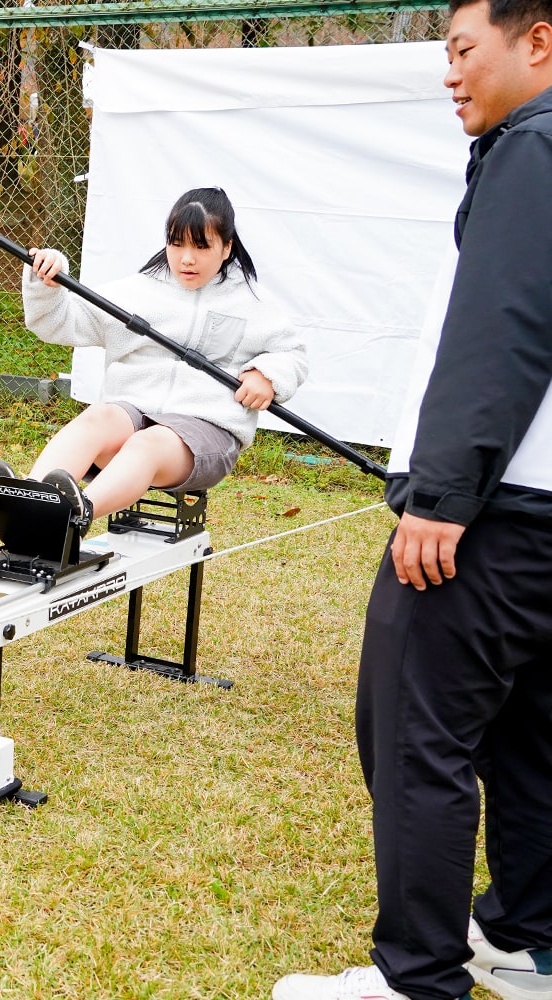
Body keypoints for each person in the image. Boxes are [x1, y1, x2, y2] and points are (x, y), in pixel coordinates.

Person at [273, 1, 552, 998]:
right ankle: (527, 938)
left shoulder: (534, 147)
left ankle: (416, 978)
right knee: (528, 733)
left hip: (500, 510)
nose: (450, 74)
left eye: (464, 50)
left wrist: (442, 491)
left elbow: (505, 322)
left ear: (539, 42)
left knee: (412, 728)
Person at [4, 188, 306, 534]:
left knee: (147, 443)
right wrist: (49, 283)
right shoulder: (139, 292)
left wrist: (267, 375)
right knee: (101, 414)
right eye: (177, 244)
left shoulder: (253, 305)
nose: (186, 259)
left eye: (201, 246)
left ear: (227, 248)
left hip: (205, 431)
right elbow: (57, 322)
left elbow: (293, 355)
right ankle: (28, 504)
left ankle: (72, 518)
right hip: (134, 414)